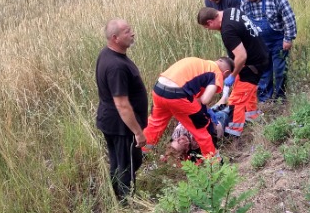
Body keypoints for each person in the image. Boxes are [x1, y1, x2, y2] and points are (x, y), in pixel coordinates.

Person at [95, 19, 148, 200]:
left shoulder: (107, 54)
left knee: (119, 162)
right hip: (121, 126)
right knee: (128, 164)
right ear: (115, 38)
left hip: (111, 121)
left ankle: (117, 196)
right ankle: (127, 204)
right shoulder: (116, 66)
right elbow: (122, 104)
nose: (132, 33)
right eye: (127, 31)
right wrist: (138, 132)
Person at [197, 6, 270, 137]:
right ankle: (252, 116)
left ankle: (233, 132)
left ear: (209, 22)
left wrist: (233, 75)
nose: (209, 30)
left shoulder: (227, 30)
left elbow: (241, 56)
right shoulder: (231, 11)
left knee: (236, 101)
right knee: (248, 92)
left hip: (252, 65)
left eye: (207, 28)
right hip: (260, 55)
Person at [143, 56, 233, 158]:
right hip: (178, 95)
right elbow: (205, 100)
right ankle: (213, 163)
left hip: (159, 89)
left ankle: (141, 154)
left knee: (155, 124)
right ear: (226, 73)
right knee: (201, 129)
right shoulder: (216, 72)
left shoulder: (199, 63)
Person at [237, 0, 297, 102]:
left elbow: (289, 17)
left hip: (278, 40)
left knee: (279, 69)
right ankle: (265, 98)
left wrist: (288, 38)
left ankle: (280, 96)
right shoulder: (245, 1)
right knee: (264, 70)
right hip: (259, 42)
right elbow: (244, 21)